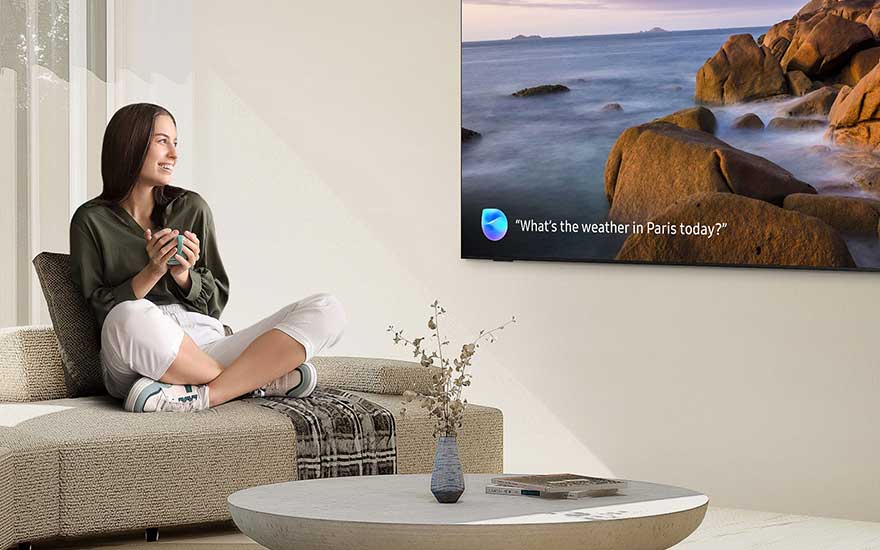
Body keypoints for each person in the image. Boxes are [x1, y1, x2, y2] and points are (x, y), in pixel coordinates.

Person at [70, 103, 346, 413]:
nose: (173, 154)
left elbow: (215, 305)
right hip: (138, 352)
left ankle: (204, 396)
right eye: (163, 141)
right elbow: (98, 311)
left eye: (175, 143)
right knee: (129, 316)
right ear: (130, 144)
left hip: (205, 344)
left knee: (327, 309)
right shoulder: (90, 220)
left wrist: (183, 276)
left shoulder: (192, 207)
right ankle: (256, 382)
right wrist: (153, 270)